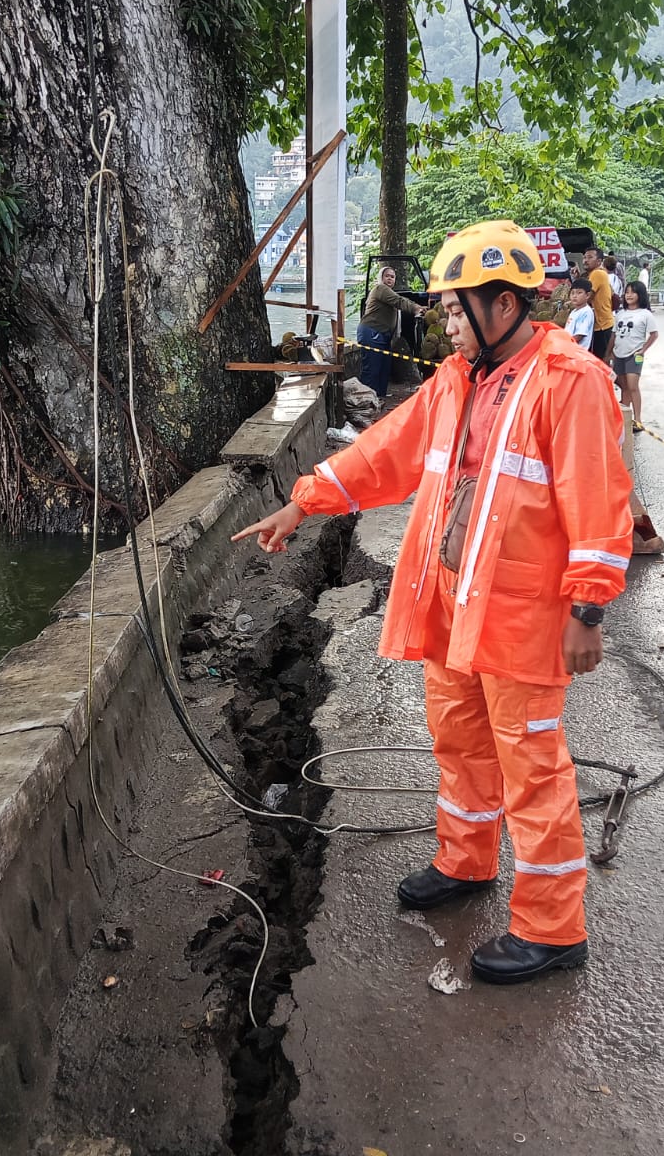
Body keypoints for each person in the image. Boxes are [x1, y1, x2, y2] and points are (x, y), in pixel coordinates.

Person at [232, 220, 633, 984]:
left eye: (456, 308)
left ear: (506, 305)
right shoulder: (459, 378)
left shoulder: (569, 379)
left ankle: (553, 928)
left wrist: (588, 609)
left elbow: (599, 499)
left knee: (533, 768)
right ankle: (466, 860)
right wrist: (304, 502)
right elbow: (386, 453)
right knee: (459, 740)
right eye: (445, 310)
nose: (446, 323)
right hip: (454, 599)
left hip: (523, 612)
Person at [357, 265, 426, 398]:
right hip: (372, 333)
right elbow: (399, 301)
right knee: (372, 369)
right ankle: (366, 402)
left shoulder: (388, 292)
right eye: (387, 276)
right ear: (381, 278)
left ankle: (379, 398)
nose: (389, 279)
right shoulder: (380, 289)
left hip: (383, 335)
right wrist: (416, 308)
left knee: (384, 369)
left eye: (392, 277)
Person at [612, 281, 657, 427]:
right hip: (619, 353)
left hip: (634, 354)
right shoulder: (620, 314)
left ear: (640, 295)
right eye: (627, 292)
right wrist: (609, 353)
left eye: (633, 292)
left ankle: (638, 419)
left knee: (633, 386)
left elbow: (654, 334)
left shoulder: (645, 315)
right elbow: (614, 334)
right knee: (624, 387)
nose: (629, 295)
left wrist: (643, 350)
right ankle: (625, 419)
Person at [581, 246, 615, 366]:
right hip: (606, 323)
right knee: (603, 362)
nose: (585, 260)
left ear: (599, 261)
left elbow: (586, 297)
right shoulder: (600, 274)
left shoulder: (597, 274)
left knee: (600, 363)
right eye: (584, 257)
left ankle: (609, 384)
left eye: (590, 257)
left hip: (601, 326)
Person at [564, 277, 595, 348]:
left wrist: (566, 344)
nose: (575, 296)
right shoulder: (574, 311)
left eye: (579, 293)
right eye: (572, 293)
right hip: (569, 349)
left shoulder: (586, 312)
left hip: (577, 352)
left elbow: (580, 335)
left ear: (587, 295)